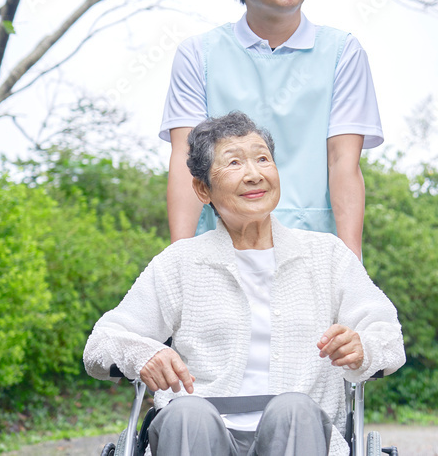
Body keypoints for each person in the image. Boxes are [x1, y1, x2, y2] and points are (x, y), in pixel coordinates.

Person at [84, 112, 405, 456]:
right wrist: (142, 353)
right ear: (202, 189)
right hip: (196, 435)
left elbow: (387, 335)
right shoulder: (180, 263)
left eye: (263, 159)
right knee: (188, 413)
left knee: (293, 409)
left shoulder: (326, 255)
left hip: (300, 436)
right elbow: (101, 345)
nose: (254, 174)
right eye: (234, 162)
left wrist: (363, 348)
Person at [159, 0, 382, 258]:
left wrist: (352, 265)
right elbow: (184, 160)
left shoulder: (342, 53)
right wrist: (178, 262)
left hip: (313, 248)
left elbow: (343, 161)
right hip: (219, 246)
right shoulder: (198, 55)